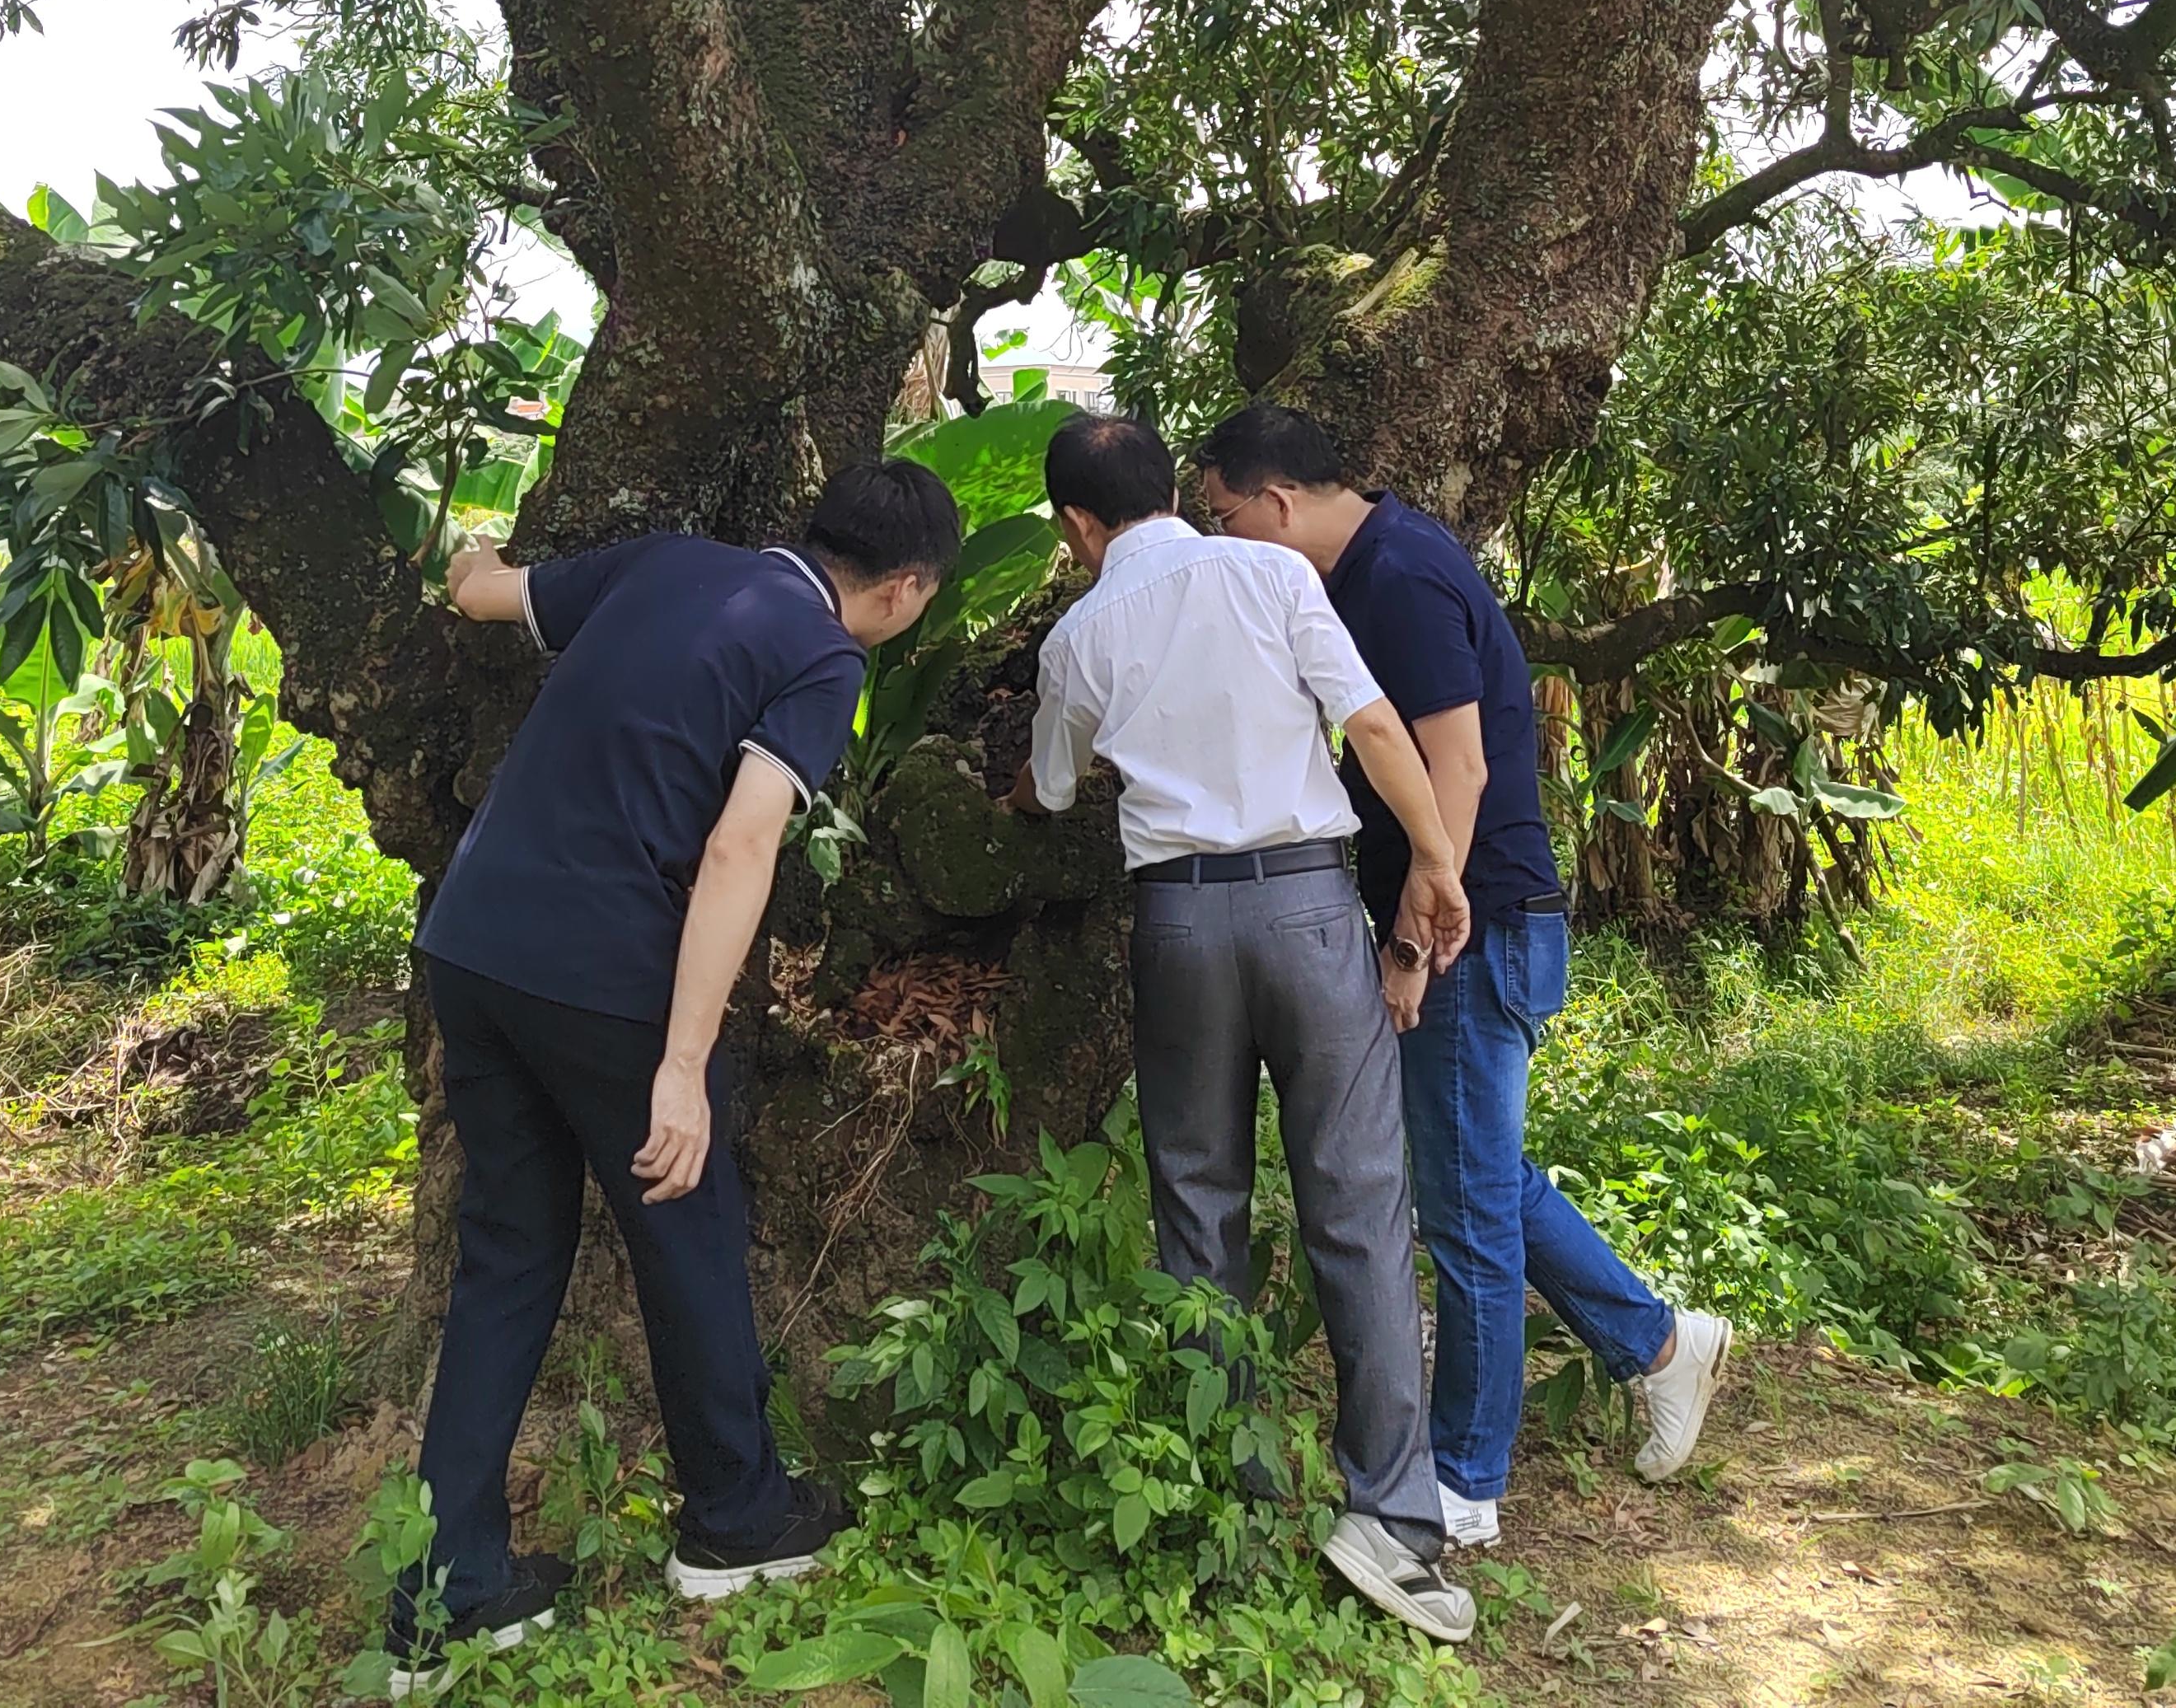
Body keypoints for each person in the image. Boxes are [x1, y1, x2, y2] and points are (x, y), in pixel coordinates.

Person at [391, 457, 963, 1694]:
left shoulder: (665, 561)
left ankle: (449, 1590)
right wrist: (684, 1066)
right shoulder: (823, 656)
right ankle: (736, 1521)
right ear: (907, 588)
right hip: (597, 974)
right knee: (684, 1215)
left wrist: (469, 563)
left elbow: (492, 593)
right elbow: (743, 841)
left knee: (507, 1252)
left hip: (472, 943)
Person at [1192, 404, 1732, 1552]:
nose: (1221, 541)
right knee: (1480, 1175)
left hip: (1473, 924)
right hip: (1477, 919)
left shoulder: (1396, 576)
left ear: (1275, 503)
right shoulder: (1362, 570)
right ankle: (1662, 1344)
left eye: (1223, 518)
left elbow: (1462, 763)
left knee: (1468, 1208)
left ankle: (1467, 1479)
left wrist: (1415, 937)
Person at [1008, 411, 1481, 1645]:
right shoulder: (1276, 572)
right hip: (1315, 912)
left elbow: (1052, 789)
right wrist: (1433, 863)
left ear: (1075, 525)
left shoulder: (1077, 633)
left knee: (1199, 1205)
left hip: (1176, 926)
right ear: (1176, 488)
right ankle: (1393, 1523)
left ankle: (1225, 1488)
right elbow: (1376, 728)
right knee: (1360, 1206)